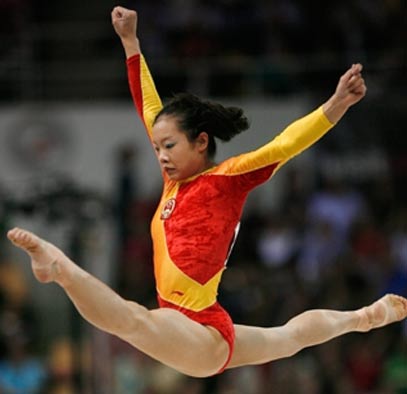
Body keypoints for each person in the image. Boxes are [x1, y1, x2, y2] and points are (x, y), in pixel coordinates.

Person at [7, 6, 407, 379]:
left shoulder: (228, 178)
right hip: (199, 326)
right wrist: (130, 41)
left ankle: (59, 269)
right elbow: (148, 107)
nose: (161, 155)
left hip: (195, 332)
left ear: (200, 142)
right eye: (158, 147)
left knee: (131, 321)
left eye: (170, 146)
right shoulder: (172, 182)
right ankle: (364, 317)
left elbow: (284, 145)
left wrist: (336, 104)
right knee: (288, 338)